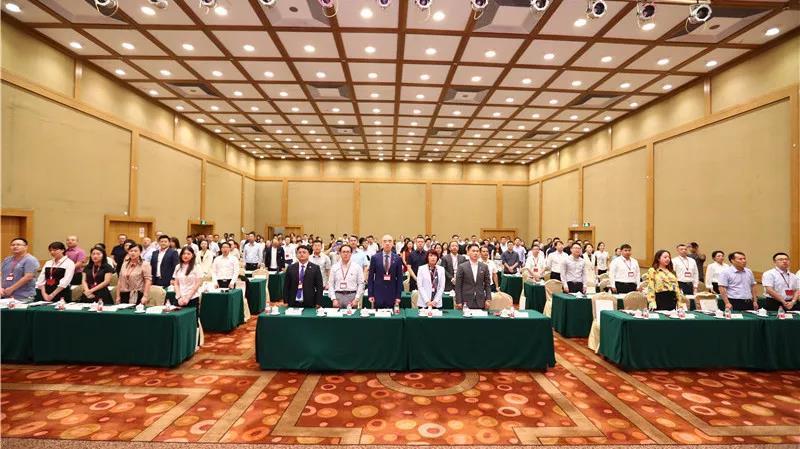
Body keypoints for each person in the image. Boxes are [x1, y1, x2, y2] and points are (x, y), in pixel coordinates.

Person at [367, 235, 404, 309]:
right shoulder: (375, 258)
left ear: (393, 244)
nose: (387, 243)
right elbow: (370, 278)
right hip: (378, 293)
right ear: (381, 244)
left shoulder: (398, 258)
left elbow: (400, 279)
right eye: (385, 241)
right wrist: (370, 294)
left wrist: (398, 296)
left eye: (390, 241)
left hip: (392, 294)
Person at [454, 243, 492, 309]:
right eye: (473, 251)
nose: (475, 253)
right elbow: (458, 286)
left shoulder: (484, 267)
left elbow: (487, 284)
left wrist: (488, 299)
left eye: (477, 251)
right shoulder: (462, 267)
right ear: (468, 252)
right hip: (465, 300)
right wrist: (458, 301)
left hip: (480, 300)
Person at [328, 244, 365, 308]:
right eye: (343, 252)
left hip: (352, 296)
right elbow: (330, 284)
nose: (346, 254)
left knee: (352, 314)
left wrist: (356, 299)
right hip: (338, 296)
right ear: (340, 253)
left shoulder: (357, 267)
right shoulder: (334, 267)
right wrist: (333, 299)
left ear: (351, 253)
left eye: (348, 252)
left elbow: (361, 284)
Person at [170, 247, 202, 312]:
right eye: (184, 254)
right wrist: (179, 297)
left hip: (192, 298)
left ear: (192, 255)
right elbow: (176, 284)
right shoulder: (178, 267)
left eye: (188, 254)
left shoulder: (196, 267)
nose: (186, 256)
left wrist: (187, 298)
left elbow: (198, 284)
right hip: (179, 298)